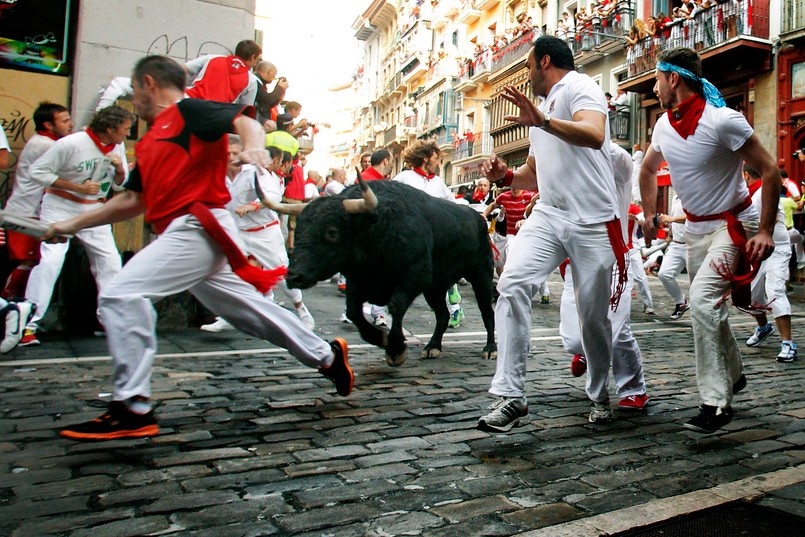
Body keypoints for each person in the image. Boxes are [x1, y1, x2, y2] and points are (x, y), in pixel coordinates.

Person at [45, 55, 353, 441]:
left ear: (149, 84)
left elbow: (244, 121)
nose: (133, 101)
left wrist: (256, 147)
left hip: (196, 227)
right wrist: (67, 225)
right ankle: (326, 355)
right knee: (249, 311)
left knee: (123, 294)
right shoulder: (154, 137)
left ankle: (132, 405)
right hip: (189, 232)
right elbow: (131, 202)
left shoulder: (188, 110)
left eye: (135, 90)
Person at [477, 36, 627, 432]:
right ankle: (511, 395)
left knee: (593, 318)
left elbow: (593, 134)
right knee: (511, 283)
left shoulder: (580, 87)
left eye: (527, 67)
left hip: (593, 221)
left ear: (545, 61)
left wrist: (542, 121)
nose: (527, 76)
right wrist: (505, 177)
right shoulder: (541, 110)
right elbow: (533, 173)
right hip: (549, 215)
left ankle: (599, 393)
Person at [639, 47, 779, 434]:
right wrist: (651, 214)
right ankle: (733, 374)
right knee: (708, 309)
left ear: (673, 79)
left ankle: (716, 403)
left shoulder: (724, 121)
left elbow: (770, 170)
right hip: (696, 231)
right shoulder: (663, 127)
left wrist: (765, 230)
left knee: (700, 302)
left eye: (656, 79)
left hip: (732, 226)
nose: (654, 87)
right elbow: (648, 169)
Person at [20, 105, 133, 347]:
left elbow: (120, 186)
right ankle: (26, 325)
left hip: (94, 210)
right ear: (110, 129)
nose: (127, 134)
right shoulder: (71, 143)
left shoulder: (117, 146)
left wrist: (120, 169)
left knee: (110, 262)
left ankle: (109, 321)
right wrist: (77, 188)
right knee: (51, 261)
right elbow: (37, 172)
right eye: (124, 130)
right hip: (61, 206)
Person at [561, 141, 649, 411]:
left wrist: (588, 132)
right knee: (574, 338)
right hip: (579, 260)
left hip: (616, 258)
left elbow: (619, 158)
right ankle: (588, 350)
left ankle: (634, 388)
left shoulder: (617, 160)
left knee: (618, 330)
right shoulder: (568, 167)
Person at [3, 103, 75, 300]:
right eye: (65, 121)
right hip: (25, 213)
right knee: (27, 262)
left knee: (33, 262)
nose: (71, 124)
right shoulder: (45, 145)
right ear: (48, 125)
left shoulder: (46, 142)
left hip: (32, 212)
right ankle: (10, 308)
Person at [742, 164, 797, 363]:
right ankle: (764, 328)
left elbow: (770, 218)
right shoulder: (748, 194)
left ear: (746, 175)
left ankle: (788, 344)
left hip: (776, 248)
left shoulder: (764, 190)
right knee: (751, 295)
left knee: (774, 291)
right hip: (758, 250)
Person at [657, 195, 690, 319]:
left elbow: (694, 217)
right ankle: (681, 302)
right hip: (676, 244)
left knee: (696, 281)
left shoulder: (692, 193)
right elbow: (674, 222)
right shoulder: (675, 197)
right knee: (664, 274)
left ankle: (703, 315)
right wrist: (670, 234)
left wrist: (671, 219)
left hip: (691, 245)